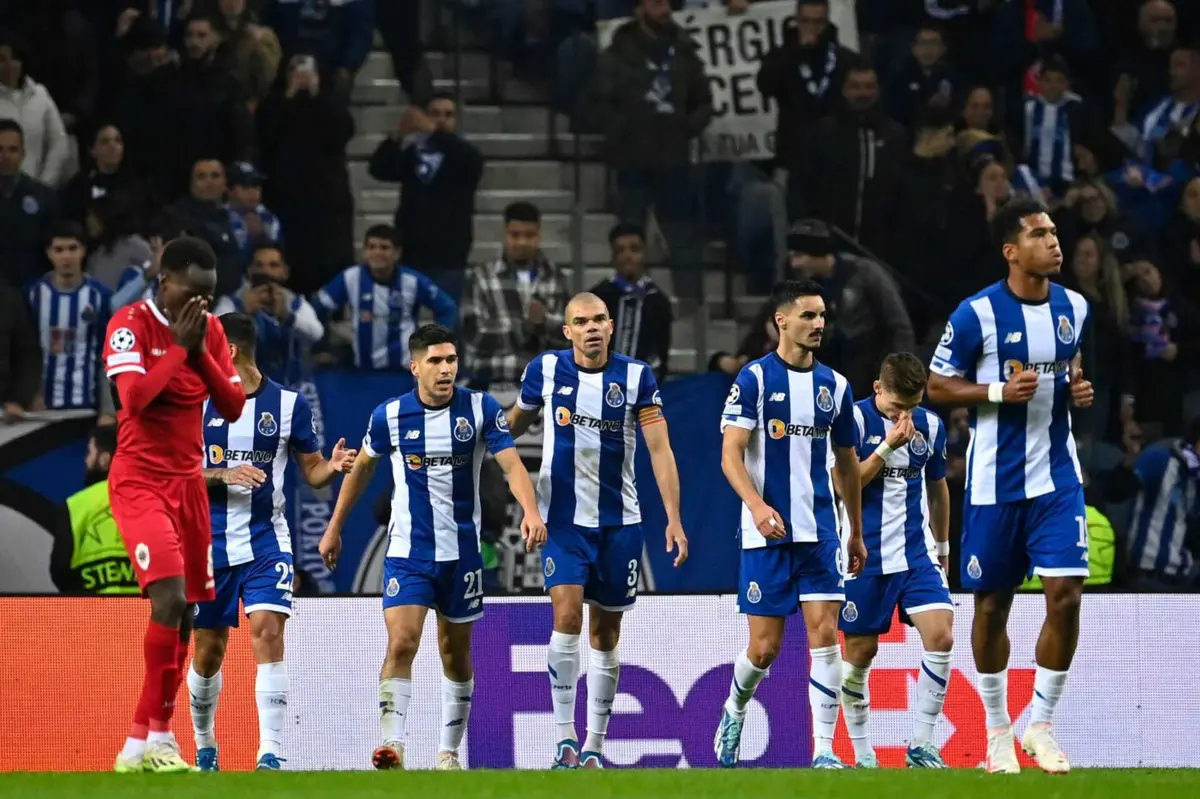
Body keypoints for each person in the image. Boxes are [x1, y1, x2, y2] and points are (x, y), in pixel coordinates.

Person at [318, 324, 546, 771]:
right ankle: (392, 745)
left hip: (462, 556)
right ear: (415, 367)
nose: (446, 369)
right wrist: (335, 527)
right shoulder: (390, 416)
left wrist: (531, 511)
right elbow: (362, 470)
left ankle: (448, 753)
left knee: (454, 654)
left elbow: (512, 465)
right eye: (436, 361)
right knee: (402, 642)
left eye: (451, 360)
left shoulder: (479, 408)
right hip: (409, 553)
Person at [927, 198, 1094, 774]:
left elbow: (1070, 368)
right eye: (1039, 234)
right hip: (994, 483)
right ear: (1011, 251)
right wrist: (996, 392)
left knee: (1066, 594)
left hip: (1058, 477)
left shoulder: (1075, 306)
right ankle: (998, 731)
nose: (1053, 242)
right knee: (993, 604)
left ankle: (1039, 725)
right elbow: (936, 385)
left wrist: (1076, 389)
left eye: (1054, 232)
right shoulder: (977, 314)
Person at [506, 292, 689, 769]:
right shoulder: (546, 370)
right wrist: (482, 447)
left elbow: (660, 449)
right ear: (567, 331)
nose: (591, 328)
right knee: (566, 616)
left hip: (619, 523)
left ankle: (594, 745)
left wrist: (673, 517)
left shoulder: (636, 377)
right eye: (582, 321)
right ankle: (564, 739)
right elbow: (512, 426)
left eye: (599, 320)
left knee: (605, 634)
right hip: (563, 522)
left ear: (611, 327)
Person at [187, 312, 356, 771]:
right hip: (209, 545)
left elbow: (313, 472)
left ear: (230, 351)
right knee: (208, 651)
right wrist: (221, 473)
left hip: (266, 540)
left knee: (268, 631)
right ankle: (205, 745)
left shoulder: (287, 404)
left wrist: (332, 466)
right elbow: (174, 473)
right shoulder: (194, 402)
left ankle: (271, 753)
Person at [103, 236, 247, 773]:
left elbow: (232, 406)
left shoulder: (209, 330)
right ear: (165, 283)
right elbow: (134, 400)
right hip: (140, 482)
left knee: (186, 612)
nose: (201, 304)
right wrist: (181, 351)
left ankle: (137, 746)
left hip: (188, 487)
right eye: (192, 292)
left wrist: (199, 351)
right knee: (168, 598)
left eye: (209, 295)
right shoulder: (129, 324)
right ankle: (160, 740)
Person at [714, 278, 867, 770]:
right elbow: (730, 455)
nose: (818, 324)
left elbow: (847, 464)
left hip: (821, 533)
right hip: (768, 536)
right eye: (808, 315)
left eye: (822, 315)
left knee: (825, 637)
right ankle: (735, 707)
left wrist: (855, 530)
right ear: (782, 321)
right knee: (765, 649)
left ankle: (824, 750)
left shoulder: (835, 386)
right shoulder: (755, 380)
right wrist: (757, 507)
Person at [839, 353, 953, 769]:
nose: (905, 416)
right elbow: (844, 484)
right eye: (897, 406)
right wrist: (888, 447)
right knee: (860, 654)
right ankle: (862, 753)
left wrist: (943, 548)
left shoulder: (932, 426)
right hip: (863, 555)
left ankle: (921, 745)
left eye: (913, 406)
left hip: (916, 554)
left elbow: (938, 489)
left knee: (941, 637)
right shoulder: (852, 421)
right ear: (877, 389)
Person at [314, 225, 458, 371]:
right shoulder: (350, 278)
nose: (377, 252)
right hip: (363, 371)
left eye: (384, 247)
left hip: (405, 371)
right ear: (364, 251)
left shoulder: (412, 280)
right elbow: (319, 307)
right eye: (371, 247)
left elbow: (447, 308)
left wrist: (437, 348)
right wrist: (320, 348)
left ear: (397, 253)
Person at [25, 221, 114, 418]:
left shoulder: (100, 296)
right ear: (49, 253)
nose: (66, 256)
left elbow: (108, 356)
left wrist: (108, 410)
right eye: (59, 250)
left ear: (83, 250)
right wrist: (27, 395)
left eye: (73, 248)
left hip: (86, 406)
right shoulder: (32, 295)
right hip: (40, 408)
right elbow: (23, 353)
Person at [49, 425, 139, 595]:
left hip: (93, 608)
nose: (86, 461)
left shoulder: (75, 505)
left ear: (104, 459)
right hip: (148, 607)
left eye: (90, 453)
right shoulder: (157, 502)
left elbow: (60, 570)